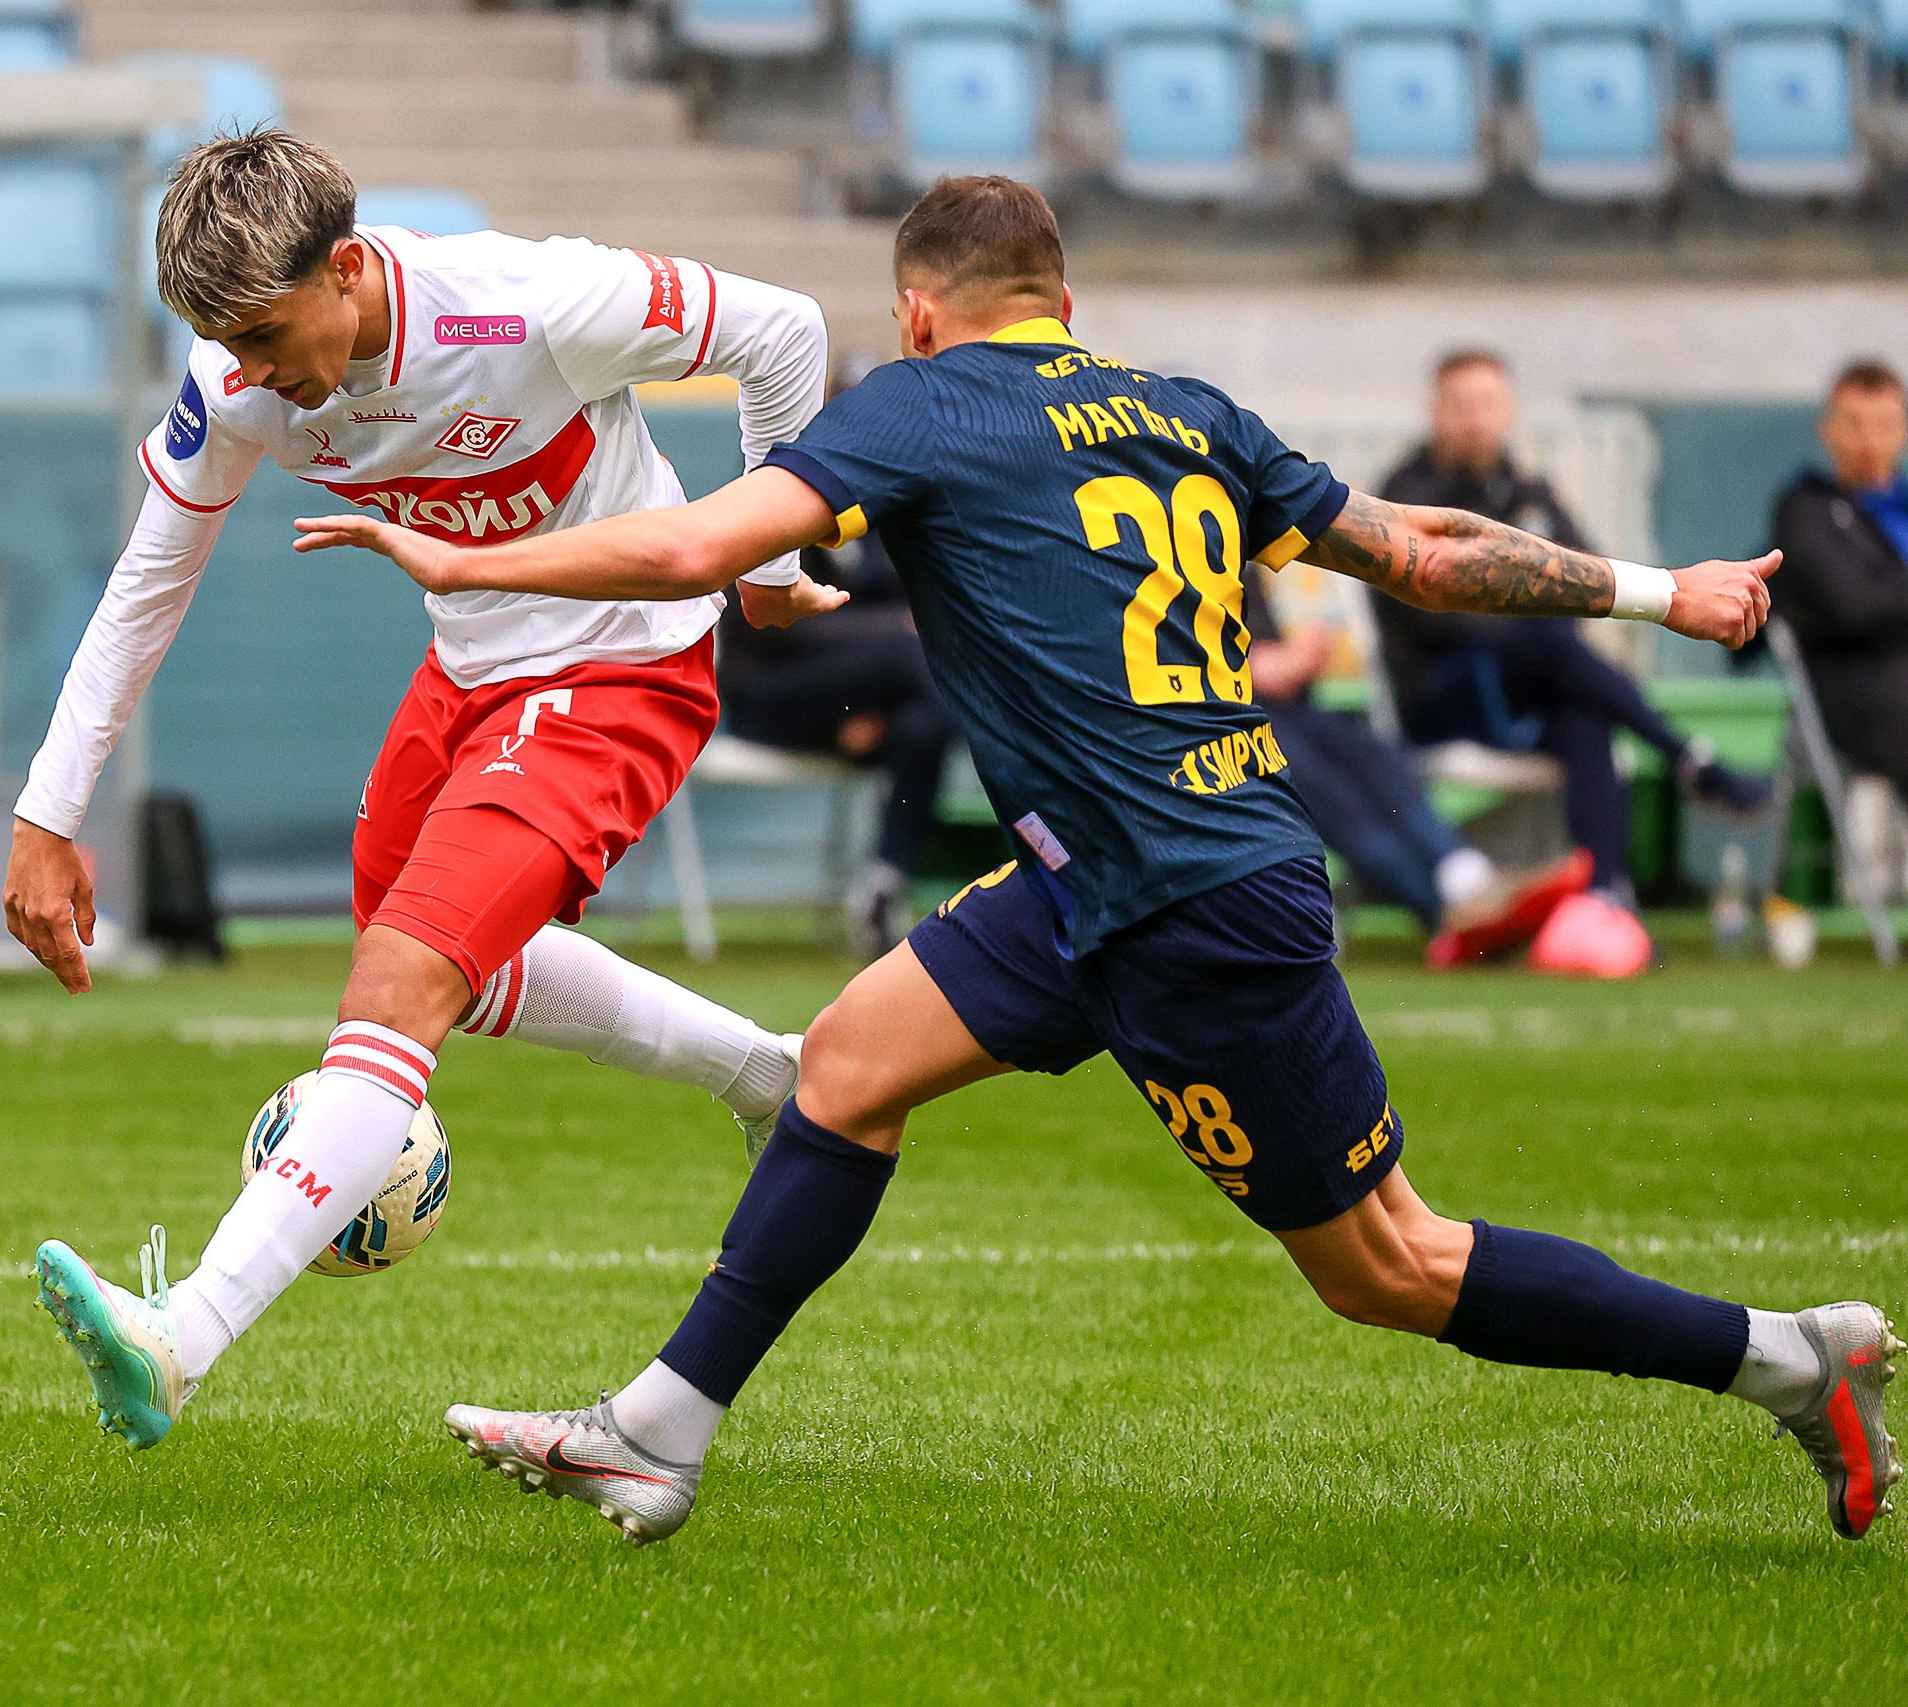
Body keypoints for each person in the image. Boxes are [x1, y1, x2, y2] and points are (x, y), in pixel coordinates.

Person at [301, 176, 1894, 1548]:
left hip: (1197, 903)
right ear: (1066, 304)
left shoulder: (919, 401)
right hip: (1098, 874)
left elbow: (690, 545)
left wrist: (464, 556)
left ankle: (1783, 1356)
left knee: (1388, 1264)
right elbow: (1421, 548)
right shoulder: (1187, 409)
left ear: (917, 314)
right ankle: (659, 1431)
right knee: (844, 1065)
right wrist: (1656, 588)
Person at [17, 128, 845, 1451]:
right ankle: (774, 1080)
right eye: (222, 343)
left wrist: (770, 561)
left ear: (347, 267)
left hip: (620, 667)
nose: (246, 372)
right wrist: (49, 812)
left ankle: (181, 1336)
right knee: (443, 959)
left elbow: (786, 330)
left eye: (265, 333)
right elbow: (149, 578)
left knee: (401, 979)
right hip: (469, 673)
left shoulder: (529, 302)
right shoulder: (238, 381)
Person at [1375, 349, 1773, 974]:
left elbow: (1587, 576)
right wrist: (1528, 611)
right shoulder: (1405, 496)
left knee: (1585, 721)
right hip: (1441, 700)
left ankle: (1601, 902)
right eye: (1460, 405)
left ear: (1509, 411)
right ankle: (1690, 759)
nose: (1475, 419)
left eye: (1487, 404)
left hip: (1527, 690)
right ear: (1435, 413)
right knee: (1550, 645)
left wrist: (1535, 611)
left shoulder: (1529, 492)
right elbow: (1434, 615)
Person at [1241, 563, 1590, 964]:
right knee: (1323, 788)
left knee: (1376, 758)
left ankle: (1467, 879)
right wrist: (1261, 667)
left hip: (1291, 709)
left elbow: (1271, 654)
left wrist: (1298, 658)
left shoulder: (1238, 562)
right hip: (1227, 721)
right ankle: (1444, 911)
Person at [718, 525, 951, 958]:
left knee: (922, 725)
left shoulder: (881, 525)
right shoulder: (777, 513)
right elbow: (770, 625)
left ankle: (882, 885)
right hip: (770, 698)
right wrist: (892, 634)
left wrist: (873, 704)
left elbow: (899, 601)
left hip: (860, 711)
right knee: (914, 651)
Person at [1768, 360, 1908, 799]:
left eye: (1884, 425)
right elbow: (1854, 604)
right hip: (1863, 701)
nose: (1869, 440)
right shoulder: (1805, 512)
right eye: (1853, 424)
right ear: (1826, 430)